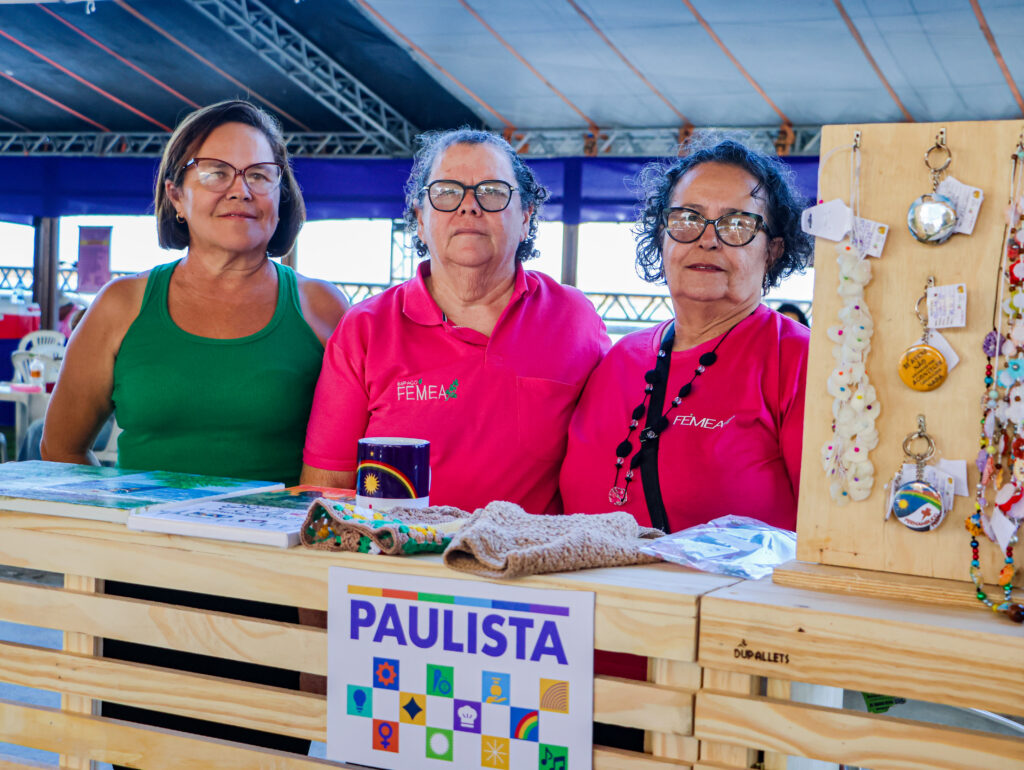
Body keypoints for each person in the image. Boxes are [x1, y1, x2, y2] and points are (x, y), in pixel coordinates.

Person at [40, 99, 348, 760]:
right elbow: (62, 451)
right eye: (215, 172)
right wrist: (118, 542)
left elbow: (345, 472)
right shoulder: (121, 305)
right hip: (143, 593)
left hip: (276, 598)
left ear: (281, 194)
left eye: (260, 174)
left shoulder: (322, 308)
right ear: (176, 194)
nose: (241, 189)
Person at [559, 136, 812, 749]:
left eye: (737, 224)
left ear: (774, 249)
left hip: (721, 686)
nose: (708, 239)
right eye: (688, 218)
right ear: (662, 235)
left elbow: (826, 544)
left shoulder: (796, 359)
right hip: (585, 673)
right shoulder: (618, 358)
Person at [301, 128, 610, 513]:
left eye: (492, 191)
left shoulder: (574, 320)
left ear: (526, 218)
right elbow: (326, 491)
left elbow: (610, 464)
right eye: (447, 192)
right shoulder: (364, 329)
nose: (469, 206)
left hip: (529, 552)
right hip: (396, 552)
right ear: (420, 219)